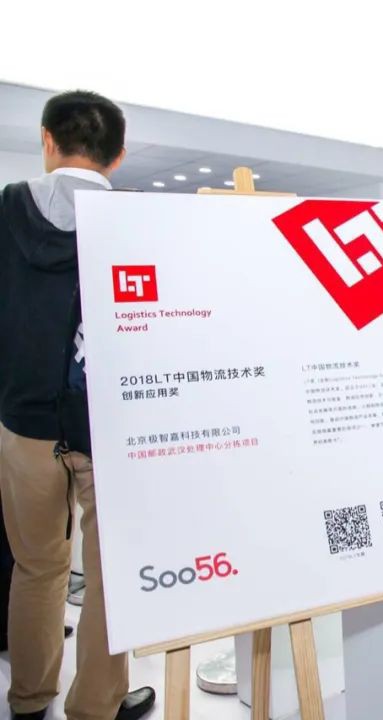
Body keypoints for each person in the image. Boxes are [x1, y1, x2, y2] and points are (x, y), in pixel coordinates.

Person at [0, 91, 155, 720]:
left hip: (22, 423)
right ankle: (96, 703)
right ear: (117, 156)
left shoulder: (6, 210)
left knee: (35, 567)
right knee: (111, 574)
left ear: (47, 139)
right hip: (110, 426)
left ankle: (28, 699)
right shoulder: (136, 223)